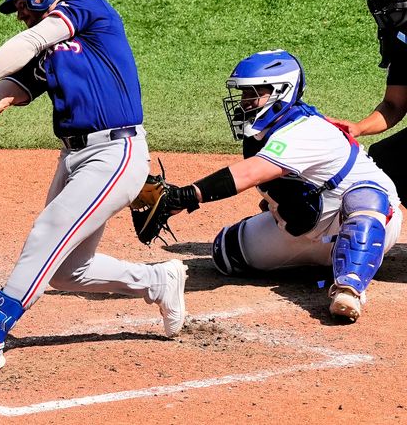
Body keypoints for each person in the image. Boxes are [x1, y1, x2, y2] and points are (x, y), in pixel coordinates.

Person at [0, 0, 187, 372]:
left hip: (114, 153)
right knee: (67, 272)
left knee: (46, 235)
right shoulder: (46, 54)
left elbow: (26, 44)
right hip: (76, 157)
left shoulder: (86, 6)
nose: (19, 14)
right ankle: (157, 281)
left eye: (22, 4)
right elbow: (6, 96)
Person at [154, 49, 402, 322]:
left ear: (280, 93)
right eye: (243, 95)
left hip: (370, 221)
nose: (244, 103)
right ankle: (324, 265)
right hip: (306, 228)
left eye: (253, 94)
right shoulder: (259, 137)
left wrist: (187, 196)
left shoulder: (306, 130)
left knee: (366, 199)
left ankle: (349, 287)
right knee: (226, 253)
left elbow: (251, 173)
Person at [328, 0, 407, 203]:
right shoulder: (402, 38)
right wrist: (358, 128)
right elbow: (394, 105)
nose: (382, 3)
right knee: (386, 159)